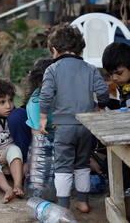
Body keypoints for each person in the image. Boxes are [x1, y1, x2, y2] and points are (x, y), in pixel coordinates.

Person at [39, 24, 109, 213]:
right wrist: (101, 106)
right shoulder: (90, 69)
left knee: (63, 165)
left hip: (63, 127)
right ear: (80, 49)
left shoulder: (52, 70)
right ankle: (83, 202)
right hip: (85, 126)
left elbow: (45, 95)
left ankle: (63, 205)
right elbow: (103, 90)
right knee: (82, 163)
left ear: (54, 50)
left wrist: (44, 116)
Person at [0, 78, 25, 203]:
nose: (8, 106)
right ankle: (7, 189)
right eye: (2, 102)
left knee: (16, 151)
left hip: (9, 149)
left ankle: (18, 184)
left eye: (10, 101)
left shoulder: (14, 116)